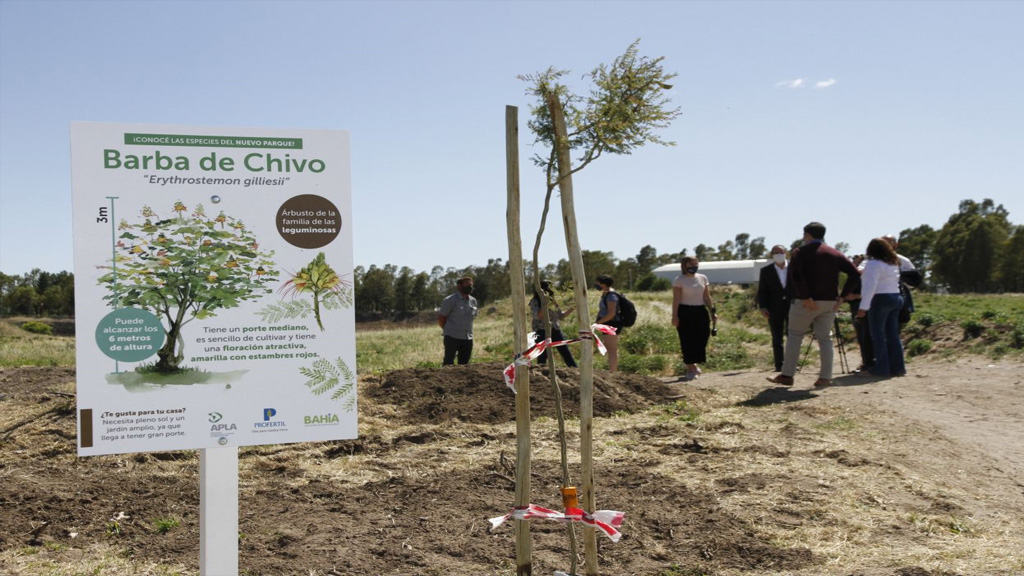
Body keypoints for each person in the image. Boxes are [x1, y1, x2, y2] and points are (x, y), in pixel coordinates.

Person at [767, 222, 859, 388]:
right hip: (830, 302)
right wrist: (842, 297)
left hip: (805, 302)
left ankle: (787, 375)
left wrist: (805, 296)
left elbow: (796, 276)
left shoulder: (800, 252)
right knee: (825, 339)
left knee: (795, 335)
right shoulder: (835, 252)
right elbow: (854, 273)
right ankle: (825, 377)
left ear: (807, 235)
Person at [855, 238, 906, 377]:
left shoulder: (873, 264)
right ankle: (898, 368)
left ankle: (881, 368)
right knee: (892, 335)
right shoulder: (893, 263)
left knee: (878, 336)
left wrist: (863, 307)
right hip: (895, 297)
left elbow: (870, 287)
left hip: (880, 299)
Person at [672, 257, 718, 380]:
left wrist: (712, 312)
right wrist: (674, 316)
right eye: (691, 263)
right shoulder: (679, 280)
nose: (694, 265)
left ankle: (695, 362)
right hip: (685, 311)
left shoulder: (703, 278)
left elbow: (707, 297)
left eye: (695, 263)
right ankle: (691, 367)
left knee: (703, 336)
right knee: (687, 339)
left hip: (700, 311)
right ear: (684, 265)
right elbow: (676, 299)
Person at [757, 245, 793, 372]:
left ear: (786, 253)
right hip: (774, 308)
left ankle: (792, 363)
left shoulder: (794, 269)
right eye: (775, 252)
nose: (778, 254)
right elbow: (762, 291)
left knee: (792, 336)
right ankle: (779, 364)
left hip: (792, 306)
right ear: (772, 254)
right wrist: (763, 307)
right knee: (777, 337)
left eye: (781, 252)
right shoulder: (766, 271)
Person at [529, 280, 577, 368]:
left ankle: (575, 370)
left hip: (555, 330)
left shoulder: (553, 300)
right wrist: (545, 304)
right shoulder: (534, 301)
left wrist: (573, 307)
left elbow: (561, 315)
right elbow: (538, 316)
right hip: (541, 331)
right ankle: (541, 375)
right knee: (542, 357)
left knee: (566, 353)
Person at [437, 276, 477, 365]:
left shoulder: (473, 301)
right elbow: (441, 318)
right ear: (459, 286)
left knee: (464, 364)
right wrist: (447, 329)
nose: (470, 287)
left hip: (467, 338)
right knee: (448, 363)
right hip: (452, 337)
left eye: (471, 285)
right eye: (467, 285)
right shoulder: (450, 300)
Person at [594, 274, 622, 372]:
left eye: (598, 282)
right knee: (609, 347)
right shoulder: (605, 294)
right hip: (606, 323)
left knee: (612, 349)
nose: (596, 284)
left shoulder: (611, 296)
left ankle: (613, 371)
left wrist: (598, 323)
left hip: (611, 324)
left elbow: (611, 314)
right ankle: (612, 370)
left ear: (604, 284)